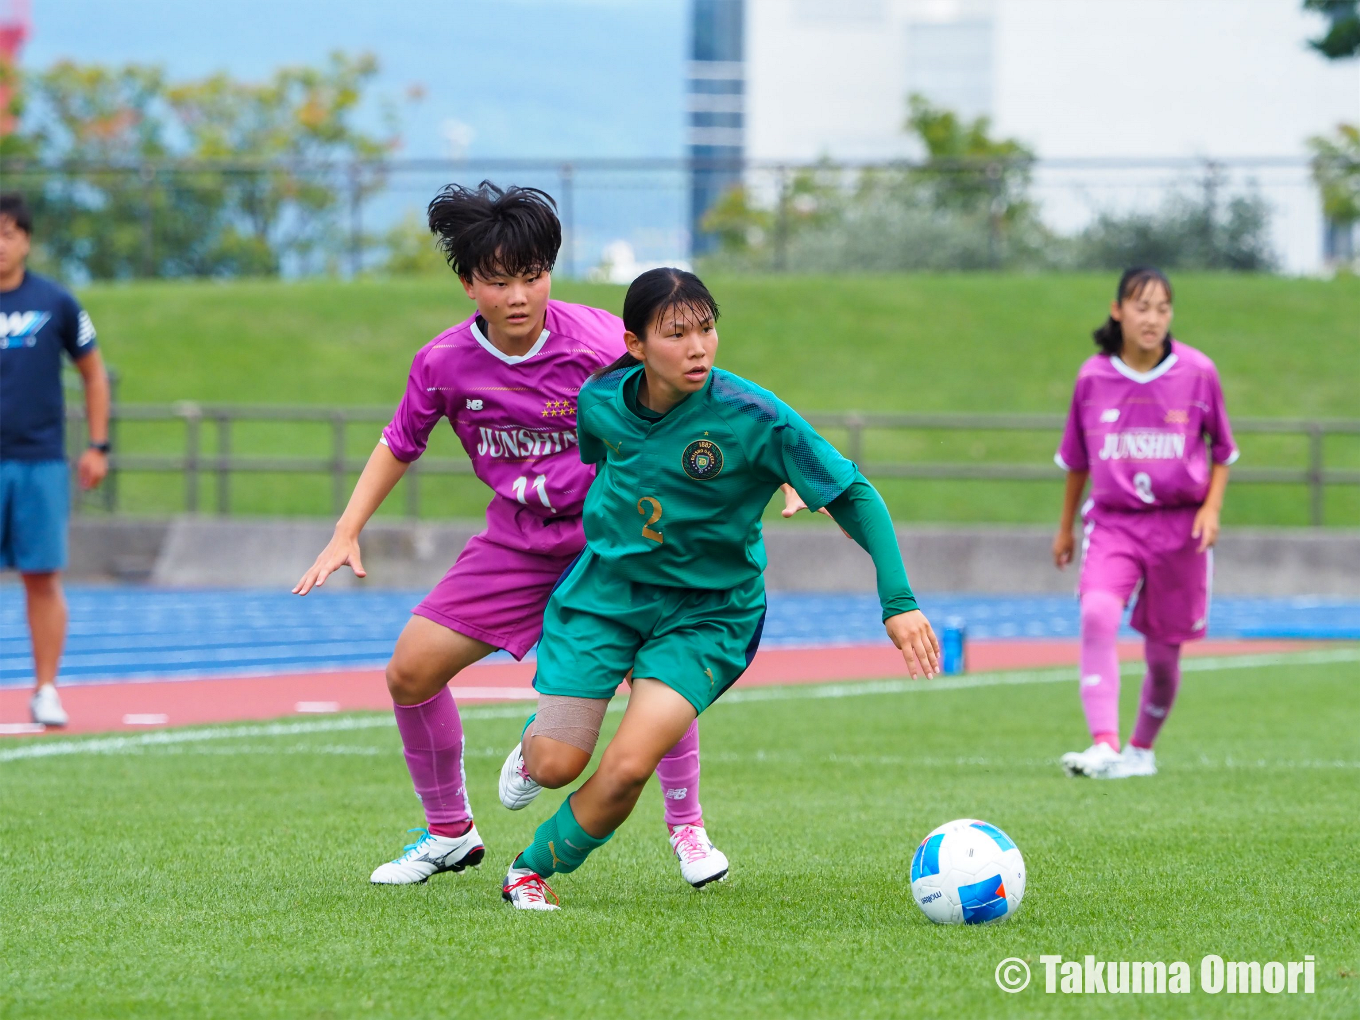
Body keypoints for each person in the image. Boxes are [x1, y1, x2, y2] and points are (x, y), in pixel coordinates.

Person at [295, 183, 776, 887]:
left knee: (657, 662)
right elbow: (401, 441)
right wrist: (346, 529)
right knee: (409, 671)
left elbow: (697, 384)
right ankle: (448, 832)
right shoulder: (442, 363)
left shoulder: (599, 340)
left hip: (611, 540)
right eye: (498, 281)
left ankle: (687, 828)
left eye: (533, 275)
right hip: (517, 544)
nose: (519, 295)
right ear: (468, 285)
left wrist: (777, 462)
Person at [497, 268, 940, 911]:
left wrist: (898, 603)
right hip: (606, 595)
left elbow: (855, 495)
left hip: (708, 616)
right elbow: (604, 461)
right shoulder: (598, 402)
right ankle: (536, 742)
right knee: (555, 765)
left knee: (625, 768)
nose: (698, 347)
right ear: (635, 345)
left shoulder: (755, 417)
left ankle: (530, 869)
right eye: (676, 334)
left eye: (707, 329)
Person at [1052, 267, 1236, 780]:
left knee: (1162, 656)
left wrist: (1211, 508)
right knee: (1096, 614)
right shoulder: (1092, 377)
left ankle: (1140, 750)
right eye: (1141, 306)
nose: (1152, 318)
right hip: (1114, 524)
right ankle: (1104, 744)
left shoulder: (1199, 372)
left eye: (1162, 308)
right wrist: (1066, 527)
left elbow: (1223, 451)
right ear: (1118, 311)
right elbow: (1077, 460)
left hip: (1180, 530)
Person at [0, 192, 110, 728]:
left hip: (39, 460)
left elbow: (93, 373)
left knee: (41, 577)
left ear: (26, 240)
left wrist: (97, 444)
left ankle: (45, 688)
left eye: (8, 234)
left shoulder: (56, 303)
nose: (0, 245)